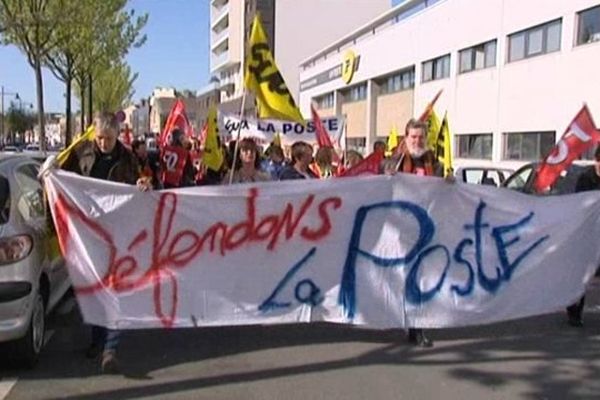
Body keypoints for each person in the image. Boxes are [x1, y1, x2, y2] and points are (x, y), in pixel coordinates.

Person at [61, 111, 152, 373]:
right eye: (100, 138)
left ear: (117, 136)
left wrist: (143, 183)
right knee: (93, 288)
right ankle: (97, 340)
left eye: (109, 139)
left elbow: (139, 179)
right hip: (87, 230)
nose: (103, 143)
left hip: (116, 232)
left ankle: (109, 349)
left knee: (113, 287)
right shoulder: (82, 153)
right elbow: (64, 176)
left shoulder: (126, 157)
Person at [394, 118, 446, 348]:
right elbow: (381, 178)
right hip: (400, 228)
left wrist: (448, 182)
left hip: (426, 227)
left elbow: (439, 188)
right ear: (406, 138)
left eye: (421, 137)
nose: (417, 140)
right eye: (413, 137)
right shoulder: (395, 160)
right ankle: (408, 322)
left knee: (422, 277)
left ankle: (418, 326)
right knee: (403, 278)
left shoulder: (432, 161)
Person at [566, 145, 600, 327]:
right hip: (587, 233)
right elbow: (581, 204)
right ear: (597, 159)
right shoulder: (586, 178)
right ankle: (574, 311)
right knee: (581, 275)